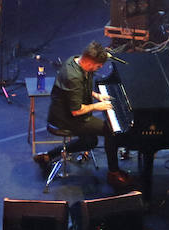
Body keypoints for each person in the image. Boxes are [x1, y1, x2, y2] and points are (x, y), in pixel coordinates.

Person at [36, 41, 132, 188]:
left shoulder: (76, 60)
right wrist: (97, 106)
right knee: (111, 131)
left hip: (66, 111)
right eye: (98, 66)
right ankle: (113, 173)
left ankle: (48, 156)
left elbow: (79, 90)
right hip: (65, 118)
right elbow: (76, 110)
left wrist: (96, 95)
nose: (99, 69)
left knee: (90, 141)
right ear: (89, 62)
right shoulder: (73, 76)